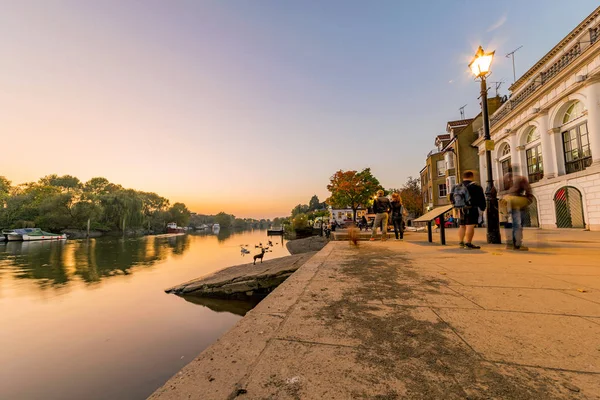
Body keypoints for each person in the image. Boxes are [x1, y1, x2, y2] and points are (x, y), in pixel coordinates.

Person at [450, 170, 486, 249]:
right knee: (470, 226)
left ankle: (461, 242)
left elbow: (451, 198)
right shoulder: (476, 187)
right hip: (472, 208)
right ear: (471, 176)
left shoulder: (457, 186)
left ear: (463, 177)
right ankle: (468, 243)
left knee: (462, 226)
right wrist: (482, 208)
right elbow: (481, 199)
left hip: (460, 209)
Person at [503, 166, 532, 251]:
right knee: (517, 224)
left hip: (506, 202)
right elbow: (528, 190)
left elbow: (496, 190)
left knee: (508, 223)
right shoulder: (521, 179)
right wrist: (528, 200)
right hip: (517, 202)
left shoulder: (504, 180)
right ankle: (517, 244)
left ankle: (509, 243)